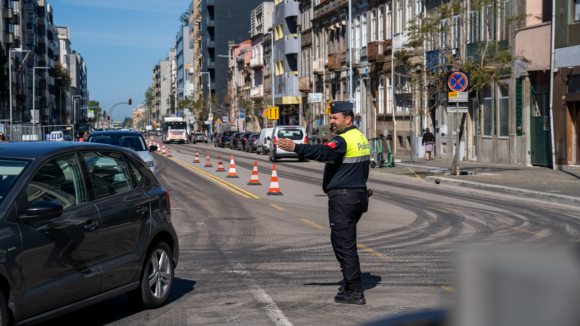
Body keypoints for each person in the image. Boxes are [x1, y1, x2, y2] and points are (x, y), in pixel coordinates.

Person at [277, 101, 371, 305]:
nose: (331, 122)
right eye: (330, 118)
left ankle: (355, 291)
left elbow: (324, 152)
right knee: (343, 243)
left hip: (344, 200)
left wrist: (296, 147)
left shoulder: (343, 140)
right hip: (356, 197)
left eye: (335, 118)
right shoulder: (360, 137)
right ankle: (349, 284)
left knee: (344, 246)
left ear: (348, 119)